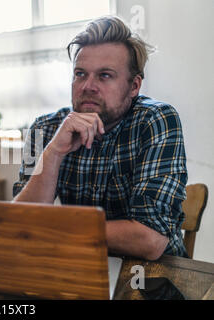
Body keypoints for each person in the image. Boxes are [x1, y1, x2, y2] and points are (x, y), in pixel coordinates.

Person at [13, 16, 188, 260]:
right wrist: (53, 153)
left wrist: (53, 230)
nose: (87, 86)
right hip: (81, 267)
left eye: (104, 75)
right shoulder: (45, 128)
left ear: (134, 86)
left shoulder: (156, 120)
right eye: (80, 74)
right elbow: (20, 225)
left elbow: (150, 240)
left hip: (153, 278)